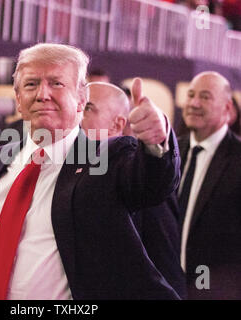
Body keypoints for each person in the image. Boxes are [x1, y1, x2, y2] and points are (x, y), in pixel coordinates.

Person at [0, 43, 181, 300]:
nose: (42, 94)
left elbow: (154, 183)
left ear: (81, 100)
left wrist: (156, 141)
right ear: (18, 100)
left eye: (56, 83)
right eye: (31, 84)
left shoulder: (108, 158)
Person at [81, 81, 187, 299]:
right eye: (76, 106)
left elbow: (163, 262)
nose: (76, 116)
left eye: (87, 108)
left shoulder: (135, 173)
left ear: (117, 124)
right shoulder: (70, 167)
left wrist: (157, 141)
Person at [178, 71, 241, 299]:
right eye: (191, 94)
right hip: (166, 287)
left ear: (227, 109)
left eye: (205, 97)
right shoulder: (170, 151)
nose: (194, 103)